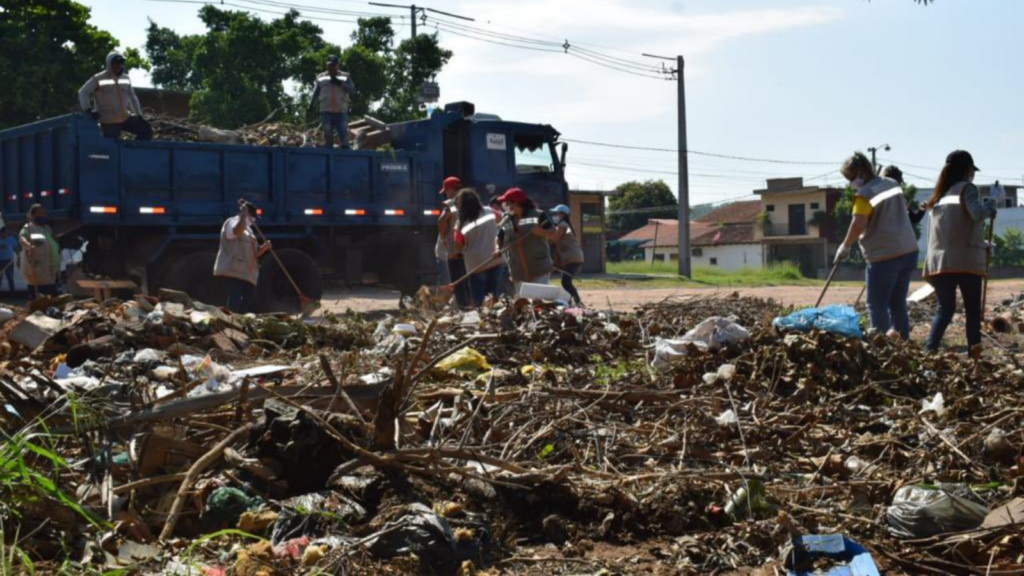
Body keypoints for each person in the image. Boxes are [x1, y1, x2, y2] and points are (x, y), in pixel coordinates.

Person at [835, 152, 919, 340]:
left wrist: (845, 246)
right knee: (898, 303)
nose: (850, 182)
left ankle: (883, 347)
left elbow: (858, 224)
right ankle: (903, 345)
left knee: (877, 305)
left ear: (862, 173)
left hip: (884, 256)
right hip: (908, 251)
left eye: (850, 177)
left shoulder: (864, 195)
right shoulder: (892, 184)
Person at [922, 150, 997, 357]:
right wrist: (989, 207)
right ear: (967, 170)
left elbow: (953, 231)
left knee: (944, 310)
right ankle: (975, 356)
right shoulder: (967, 189)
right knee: (973, 312)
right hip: (965, 262)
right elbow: (977, 214)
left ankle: (930, 350)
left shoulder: (939, 196)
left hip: (939, 263)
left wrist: (984, 244)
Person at [494, 187, 560, 294]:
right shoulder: (506, 220)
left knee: (538, 301)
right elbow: (499, 237)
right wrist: (497, 248)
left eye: (507, 203)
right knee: (523, 304)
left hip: (539, 268)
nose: (505, 206)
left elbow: (554, 233)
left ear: (516, 203)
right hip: (517, 271)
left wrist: (541, 232)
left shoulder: (539, 215)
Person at [78, 52, 153, 140]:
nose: (118, 65)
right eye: (115, 63)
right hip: (109, 121)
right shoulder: (98, 78)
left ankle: (132, 151)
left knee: (146, 131)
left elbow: (133, 97)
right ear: (109, 64)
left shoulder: (126, 78)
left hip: (125, 118)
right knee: (112, 147)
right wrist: (88, 110)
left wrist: (139, 114)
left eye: (121, 62)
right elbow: (83, 92)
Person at [214, 200, 272, 313]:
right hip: (232, 270)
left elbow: (254, 254)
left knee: (248, 299)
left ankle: (239, 321)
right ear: (246, 214)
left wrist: (264, 248)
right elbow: (236, 232)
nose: (253, 220)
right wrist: (243, 215)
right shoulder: (231, 223)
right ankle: (233, 321)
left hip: (246, 273)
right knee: (235, 298)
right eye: (252, 217)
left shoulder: (249, 230)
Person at [453, 189, 504, 306]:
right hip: (495, 258)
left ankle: (482, 318)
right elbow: (502, 221)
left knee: (478, 298)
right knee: (493, 297)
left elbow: (458, 245)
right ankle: (496, 319)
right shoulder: (491, 211)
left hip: (475, 264)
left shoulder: (460, 223)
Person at [436, 176, 471, 307]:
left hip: (455, 250)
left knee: (457, 282)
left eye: (446, 191)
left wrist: (443, 237)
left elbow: (442, 220)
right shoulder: (469, 201)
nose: (446, 193)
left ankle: (463, 308)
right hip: (468, 249)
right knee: (467, 281)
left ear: (451, 190)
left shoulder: (451, 203)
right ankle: (469, 306)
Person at [309, 55, 355, 149]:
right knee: (327, 130)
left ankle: (345, 149)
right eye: (330, 65)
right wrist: (311, 105)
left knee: (342, 130)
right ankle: (329, 148)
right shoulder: (321, 77)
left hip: (340, 110)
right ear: (327, 66)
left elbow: (352, 90)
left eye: (334, 65)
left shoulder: (345, 76)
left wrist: (341, 84)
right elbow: (315, 92)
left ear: (338, 65)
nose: (332, 67)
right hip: (326, 110)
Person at [18, 205, 60, 298]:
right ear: (33, 215)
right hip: (38, 266)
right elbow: (22, 238)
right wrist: (28, 246)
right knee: (39, 291)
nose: (43, 215)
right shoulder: (29, 227)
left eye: (44, 213)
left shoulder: (47, 228)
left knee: (51, 290)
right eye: (40, 213)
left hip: (50, 266)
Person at [549, 204, 584, 306]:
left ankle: (576, 301)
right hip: (574, 257)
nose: (555, 215)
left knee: (566, 282)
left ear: (563, 214)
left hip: (572, 258)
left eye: (557, 213)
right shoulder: (564, 225)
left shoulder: (563, 225)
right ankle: (571, 301)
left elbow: (554, 239)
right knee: (566, 282)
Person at [0, 227, 19, 294]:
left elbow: (16, 248)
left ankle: (12, 293)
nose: (4, 234)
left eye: (6, 233)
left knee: (10, 277)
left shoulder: (11, 239)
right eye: (3, 233)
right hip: (0, 261)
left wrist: (18, 257)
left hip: (9, 261)